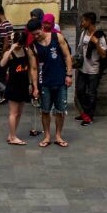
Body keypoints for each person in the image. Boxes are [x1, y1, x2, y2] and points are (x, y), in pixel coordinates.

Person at [32, 14, 73, 146]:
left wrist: (69, 74)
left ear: (42, 27)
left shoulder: (57, 37)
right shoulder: (33, 46)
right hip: (44, 81)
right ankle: (47, 136)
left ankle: (59, 136)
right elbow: (33, 68)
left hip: (60, 79)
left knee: (60, 110)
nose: (36, 36)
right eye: (33, 35)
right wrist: (34, 87)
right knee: (45, 111)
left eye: (37, 33)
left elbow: (67, 56)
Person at [0, 29, 39, 145]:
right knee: (13, 112)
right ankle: (12, 137)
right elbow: (2, 64)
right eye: (19, 43)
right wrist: (11, 48)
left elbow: (30, 69)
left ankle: (12, 134)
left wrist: (31, 84)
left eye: (22, 43)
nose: (20, 46)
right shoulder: (10, 53)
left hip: (23, 84)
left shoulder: (26, 51)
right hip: (13, 85)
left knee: (19, 112)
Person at [75, 11, 107, 126]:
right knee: (79, 91)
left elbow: (103, 54)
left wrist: (97, 43)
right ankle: (86, 113)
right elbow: (80, 49)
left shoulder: (99, 35)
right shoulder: (84, 33)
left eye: (83, 20)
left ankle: (89, 116)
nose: (82, 23)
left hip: (94, 69)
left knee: (91, 93)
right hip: (83, 68)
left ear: (89, 21)